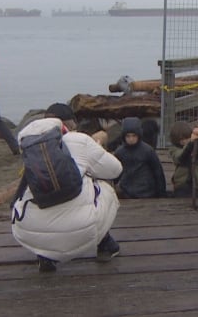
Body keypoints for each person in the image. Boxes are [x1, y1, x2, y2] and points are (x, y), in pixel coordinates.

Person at [11, 103, 122, 273]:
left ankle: (45, 256)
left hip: (30, 233)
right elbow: (115, 170)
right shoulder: (80, 140)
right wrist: (97, 149)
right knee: (104, 185)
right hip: (81, 229)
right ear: (71, 124)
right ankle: (105, 245)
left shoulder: (30, 146)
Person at [113, 117, 167, 198]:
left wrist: (161, 193)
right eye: (128, 136)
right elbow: (115, 173)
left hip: (147, 192)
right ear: (124, 136)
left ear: (139, 135)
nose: (131, 139)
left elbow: (158, 173)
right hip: (126, 192)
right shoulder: (119, 152)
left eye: (134, 136)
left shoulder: (148, 151)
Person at [168, 121, 198, 198]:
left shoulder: (194, 145)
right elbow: (180, 157)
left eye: (187, 138)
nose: (185, 140)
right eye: (182, 139)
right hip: (182, 185)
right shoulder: (174, 149)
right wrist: (190, 144)